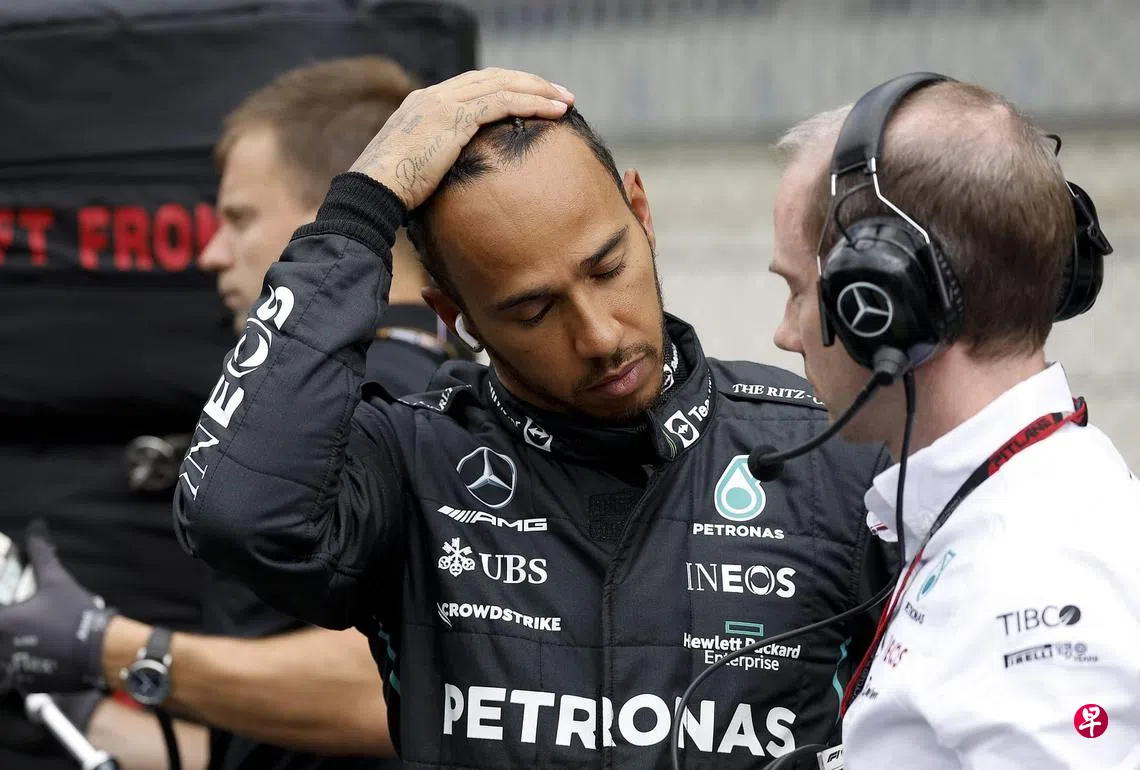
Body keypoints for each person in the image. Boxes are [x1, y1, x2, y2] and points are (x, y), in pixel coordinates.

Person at [169, 68, 894, 769]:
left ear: (641, 213)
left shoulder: (832, 448)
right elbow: (236, 512)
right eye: (533, 310)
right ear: (456, 316)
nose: (600, 336)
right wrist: (363, 206)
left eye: (607, 269)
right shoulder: (413, 462)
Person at [0, 55, 473, 770]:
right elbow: (271, 745)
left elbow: (390, 692)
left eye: (239, 218)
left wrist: (104, 644)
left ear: (329, 214)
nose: (212, 253)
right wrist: (72, 704)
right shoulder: (427, 383)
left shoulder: (380, 402)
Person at [768, 72, 1140, 768]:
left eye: (796, 290)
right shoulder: (1007, 506)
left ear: (882, 300)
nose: (785, 334)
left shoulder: (1030, 578)